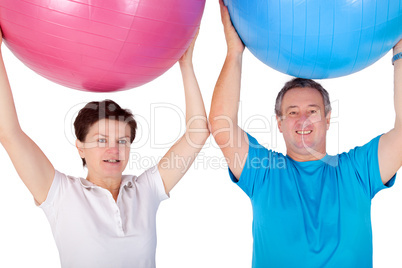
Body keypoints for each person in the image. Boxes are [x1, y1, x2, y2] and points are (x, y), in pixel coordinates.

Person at [209, 1, 401, 267]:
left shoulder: (357, 171)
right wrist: (234, 53)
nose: (302, 119)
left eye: (312, 110)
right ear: (279, 122)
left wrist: (400, 53)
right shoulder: (264, 172)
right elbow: (221, 126)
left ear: (327, 118)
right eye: (292, 112)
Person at [0, 27, 209, 267]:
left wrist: (186, 64)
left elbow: (197, 133)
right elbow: (9, 133)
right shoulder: (59, 193)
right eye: (101, 140)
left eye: (123, 141)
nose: (114, 150)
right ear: (80, 147)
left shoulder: (146, 189)